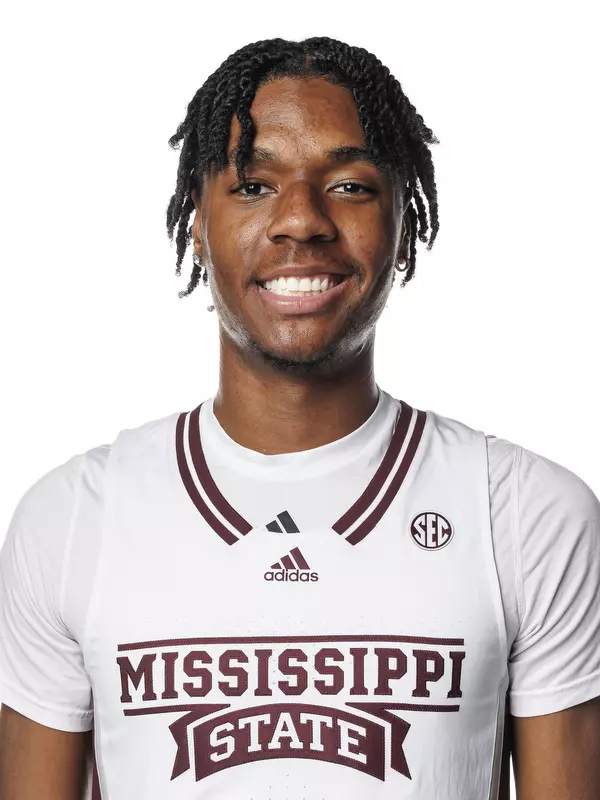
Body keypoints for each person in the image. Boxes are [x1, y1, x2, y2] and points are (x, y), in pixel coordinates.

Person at [0, 35, 599, 800]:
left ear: (404, 223)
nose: (301, 221)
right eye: (253, 186)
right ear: (196, 223)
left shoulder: (527, 514)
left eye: (349, 186)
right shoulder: (73, 519)